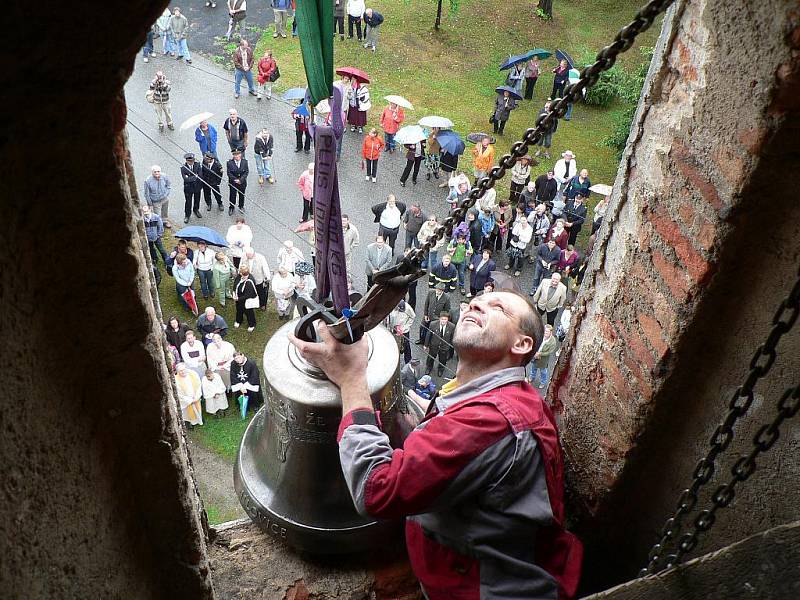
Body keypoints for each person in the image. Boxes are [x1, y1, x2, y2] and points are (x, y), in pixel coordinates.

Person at [290, 288, 580, 599]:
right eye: (477, 301)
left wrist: (351, 380)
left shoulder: (491, 421)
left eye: (498, 308)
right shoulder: (505, 398)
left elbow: (376, 489)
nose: (479, 304)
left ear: (521, 344)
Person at [424, 311, 455, 377]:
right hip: (434, 345)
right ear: (439, 319)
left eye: (445, 319)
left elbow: (452, 337)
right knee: (430, 358)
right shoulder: (433, 324)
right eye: (442, 319)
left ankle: (441, 369)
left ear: (448, 319)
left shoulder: (452, 326)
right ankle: (429, 367)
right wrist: (426, 345)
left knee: (443, 360)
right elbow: (428, 335)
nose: (443, 321)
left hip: (444, 347)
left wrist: (450, 346)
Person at [174, 362, 203, 427]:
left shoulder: (193, 374)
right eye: (180, 371)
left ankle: (198, 420)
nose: (183, 371)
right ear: (177, 371)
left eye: (184, 369)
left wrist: (196, 397)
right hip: (186, 402)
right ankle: (190, 423)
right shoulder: (176, 380)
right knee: (187, 414)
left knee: (197, 410)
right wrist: (190, 400)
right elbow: (179, 394)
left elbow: (198, 386)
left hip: (195, 398)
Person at [386, 300, 415, 364]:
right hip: (393, 330)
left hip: (404, 331)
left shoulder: (407, 308)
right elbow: (388, 318)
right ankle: (393, 362)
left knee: (406, 346)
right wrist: (388, 329)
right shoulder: (390, 307)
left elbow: (412, 317)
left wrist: (405, 327)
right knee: (393, 346)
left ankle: (408, 362)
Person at [530, 324, 557, 389]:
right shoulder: (540, 335)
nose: (545, 333)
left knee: (543, 372)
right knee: (533, 368)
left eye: (547, 332)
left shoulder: (552, 341)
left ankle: (543, 382)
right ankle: (532, 377)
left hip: (543, 360)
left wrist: (540, 354)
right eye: (544, 331)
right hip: (535, 356)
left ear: (551, 332)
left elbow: (549, 352)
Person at [233, 265, 258, 332]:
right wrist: (234, 292)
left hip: (247, 300)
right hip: (238, 298)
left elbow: (248, 295)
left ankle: (252, 324)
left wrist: (238, 298)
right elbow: (235, 284)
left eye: (241, 273)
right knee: (239, 310)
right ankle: (239, 320)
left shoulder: (250, 281)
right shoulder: (239, 276)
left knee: (249, 312)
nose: (240, 274)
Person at [180, 153, 202, 224]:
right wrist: (195, 177)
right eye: (189, 161)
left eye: (192, 160)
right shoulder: (183, 168)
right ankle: (187, 215)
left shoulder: (197, 165)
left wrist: (192, 177)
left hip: (197, 186)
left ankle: (196, 210)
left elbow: (200, 176)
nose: (191, 162)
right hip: (188, 188)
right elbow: (186, 179)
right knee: (188, 202)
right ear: (186, 161)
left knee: (197, 199)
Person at [227, 148, 249, 215]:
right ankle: (231, 207)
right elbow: (229, 173)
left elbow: (246, 172)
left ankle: (241, 206)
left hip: (242, 182)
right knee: (232, 195)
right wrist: (235, 180)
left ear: (241, 154)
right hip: (233, 183)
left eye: (238, 154)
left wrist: (241, 180)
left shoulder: (245, 162)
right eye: (235, 155)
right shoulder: (229, 163)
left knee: (241, 195)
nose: (237, 156)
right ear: (233, 155)